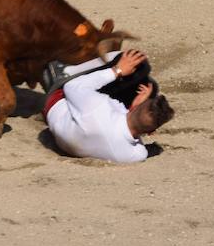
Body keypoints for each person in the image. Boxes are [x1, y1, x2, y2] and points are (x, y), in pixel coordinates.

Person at [43, 50, 175, 163]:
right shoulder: (135, 154)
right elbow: (131, 136)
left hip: (57, 103)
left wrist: (117, 70)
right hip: (72, 139)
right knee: (151, 87)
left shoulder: (98, 107)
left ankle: (63, 71)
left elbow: (71, 87)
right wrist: (133, 108)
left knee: (137, 62)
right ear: (151, 132)